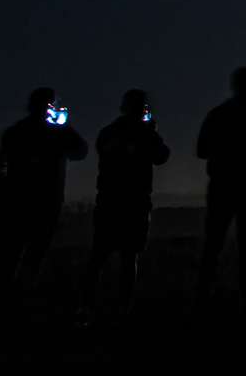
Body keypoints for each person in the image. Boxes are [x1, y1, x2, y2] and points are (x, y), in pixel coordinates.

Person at [81, 90, 170, 322]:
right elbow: (162, 156)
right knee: (129, 258)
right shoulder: (144, 134)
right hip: (135, 203)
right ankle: (124, 308)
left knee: (98, 256)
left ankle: (83, 307)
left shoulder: (107, 133)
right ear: (142, 109)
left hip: (108, 202)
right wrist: (152, 132)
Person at [194, 67, 246, 315]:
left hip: (221, 186)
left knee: (213, 244)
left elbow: (201, 150)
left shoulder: (217, 115)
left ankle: (202, 298)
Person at [0, 87, 88, 306]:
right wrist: (64, 129)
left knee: (15, 251)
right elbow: (80, 151)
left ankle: (5, 299)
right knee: (30, 252)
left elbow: (80, 151)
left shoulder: (18, 131)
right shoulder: (52, 133)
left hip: (23, 199)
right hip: (42, 200)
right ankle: (17, 298)